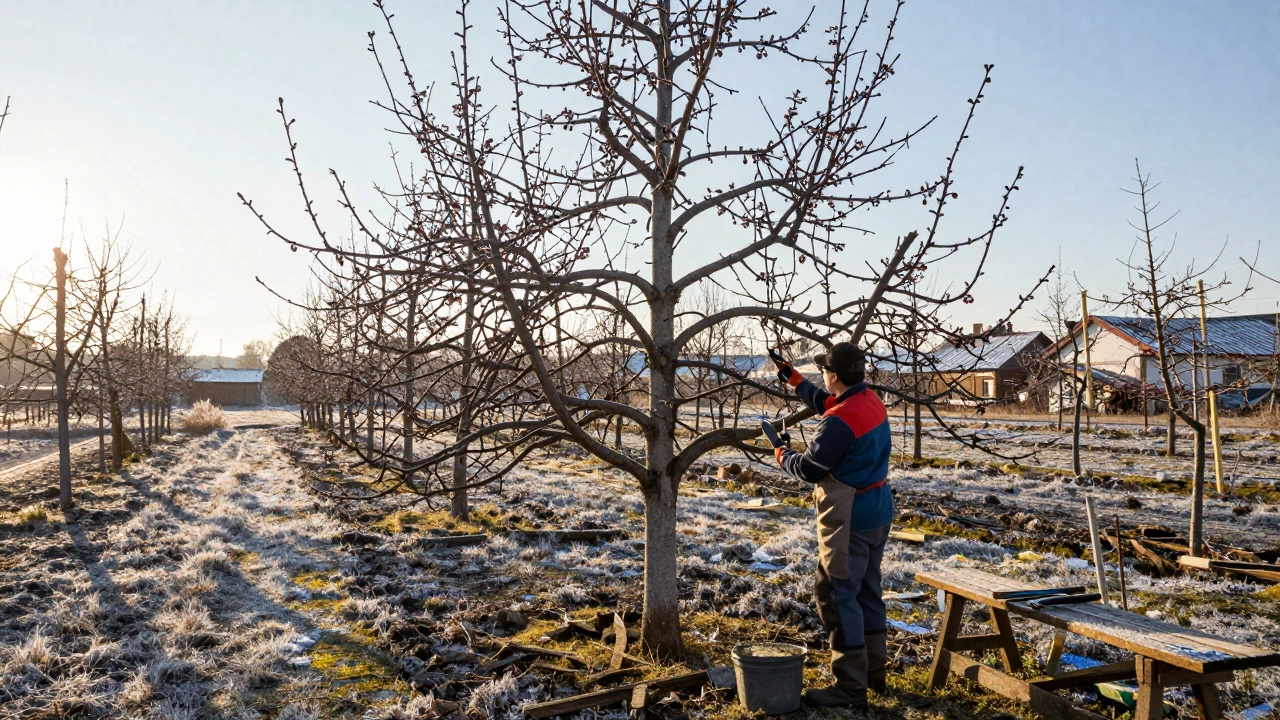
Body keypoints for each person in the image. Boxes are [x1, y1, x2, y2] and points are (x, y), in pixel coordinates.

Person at [771, 341, 893, 709]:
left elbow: (810, 469)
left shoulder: (839, 421)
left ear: (835, 375)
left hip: (850, 516)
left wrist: (781, 453)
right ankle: (874, 674)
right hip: (877, 509)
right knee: (867, 590)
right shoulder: (868, 400)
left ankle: (850, 687)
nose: (823, 374)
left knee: (837, 594)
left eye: (825, 369)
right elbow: (828, 402)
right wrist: (794, 379)